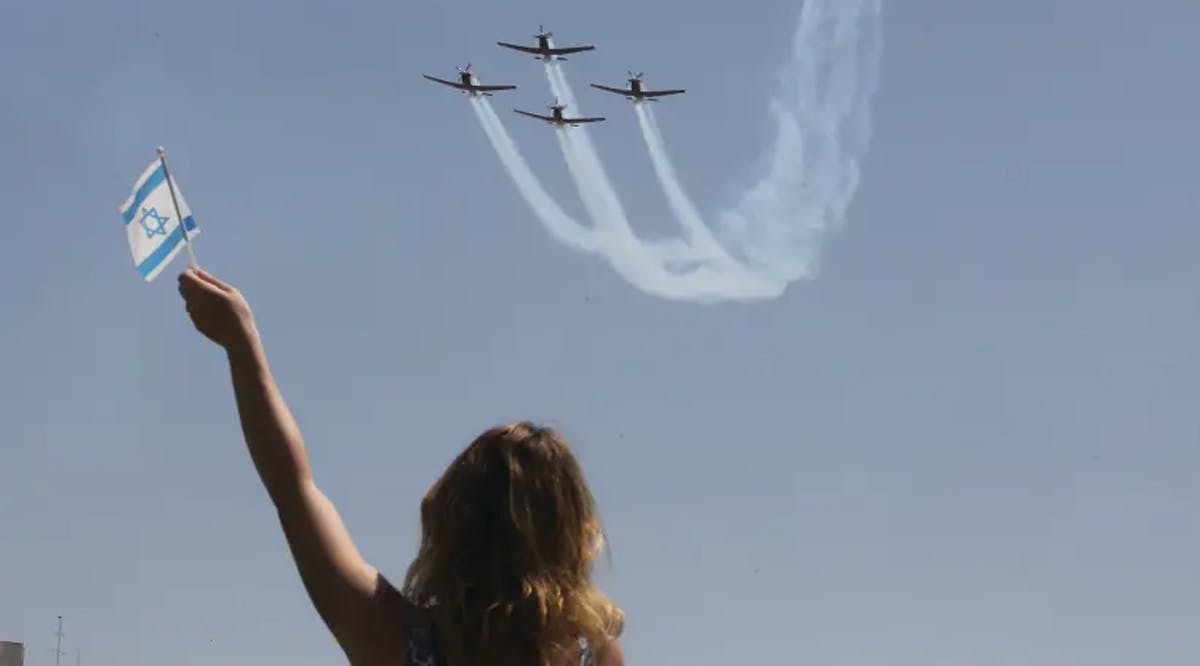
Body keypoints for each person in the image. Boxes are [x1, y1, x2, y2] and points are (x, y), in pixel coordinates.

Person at [177, 267, 625, 666]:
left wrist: (242, 344)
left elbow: (293, 489)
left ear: (452, 521)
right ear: (570, 533)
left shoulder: (395, 641)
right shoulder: (594, 655)